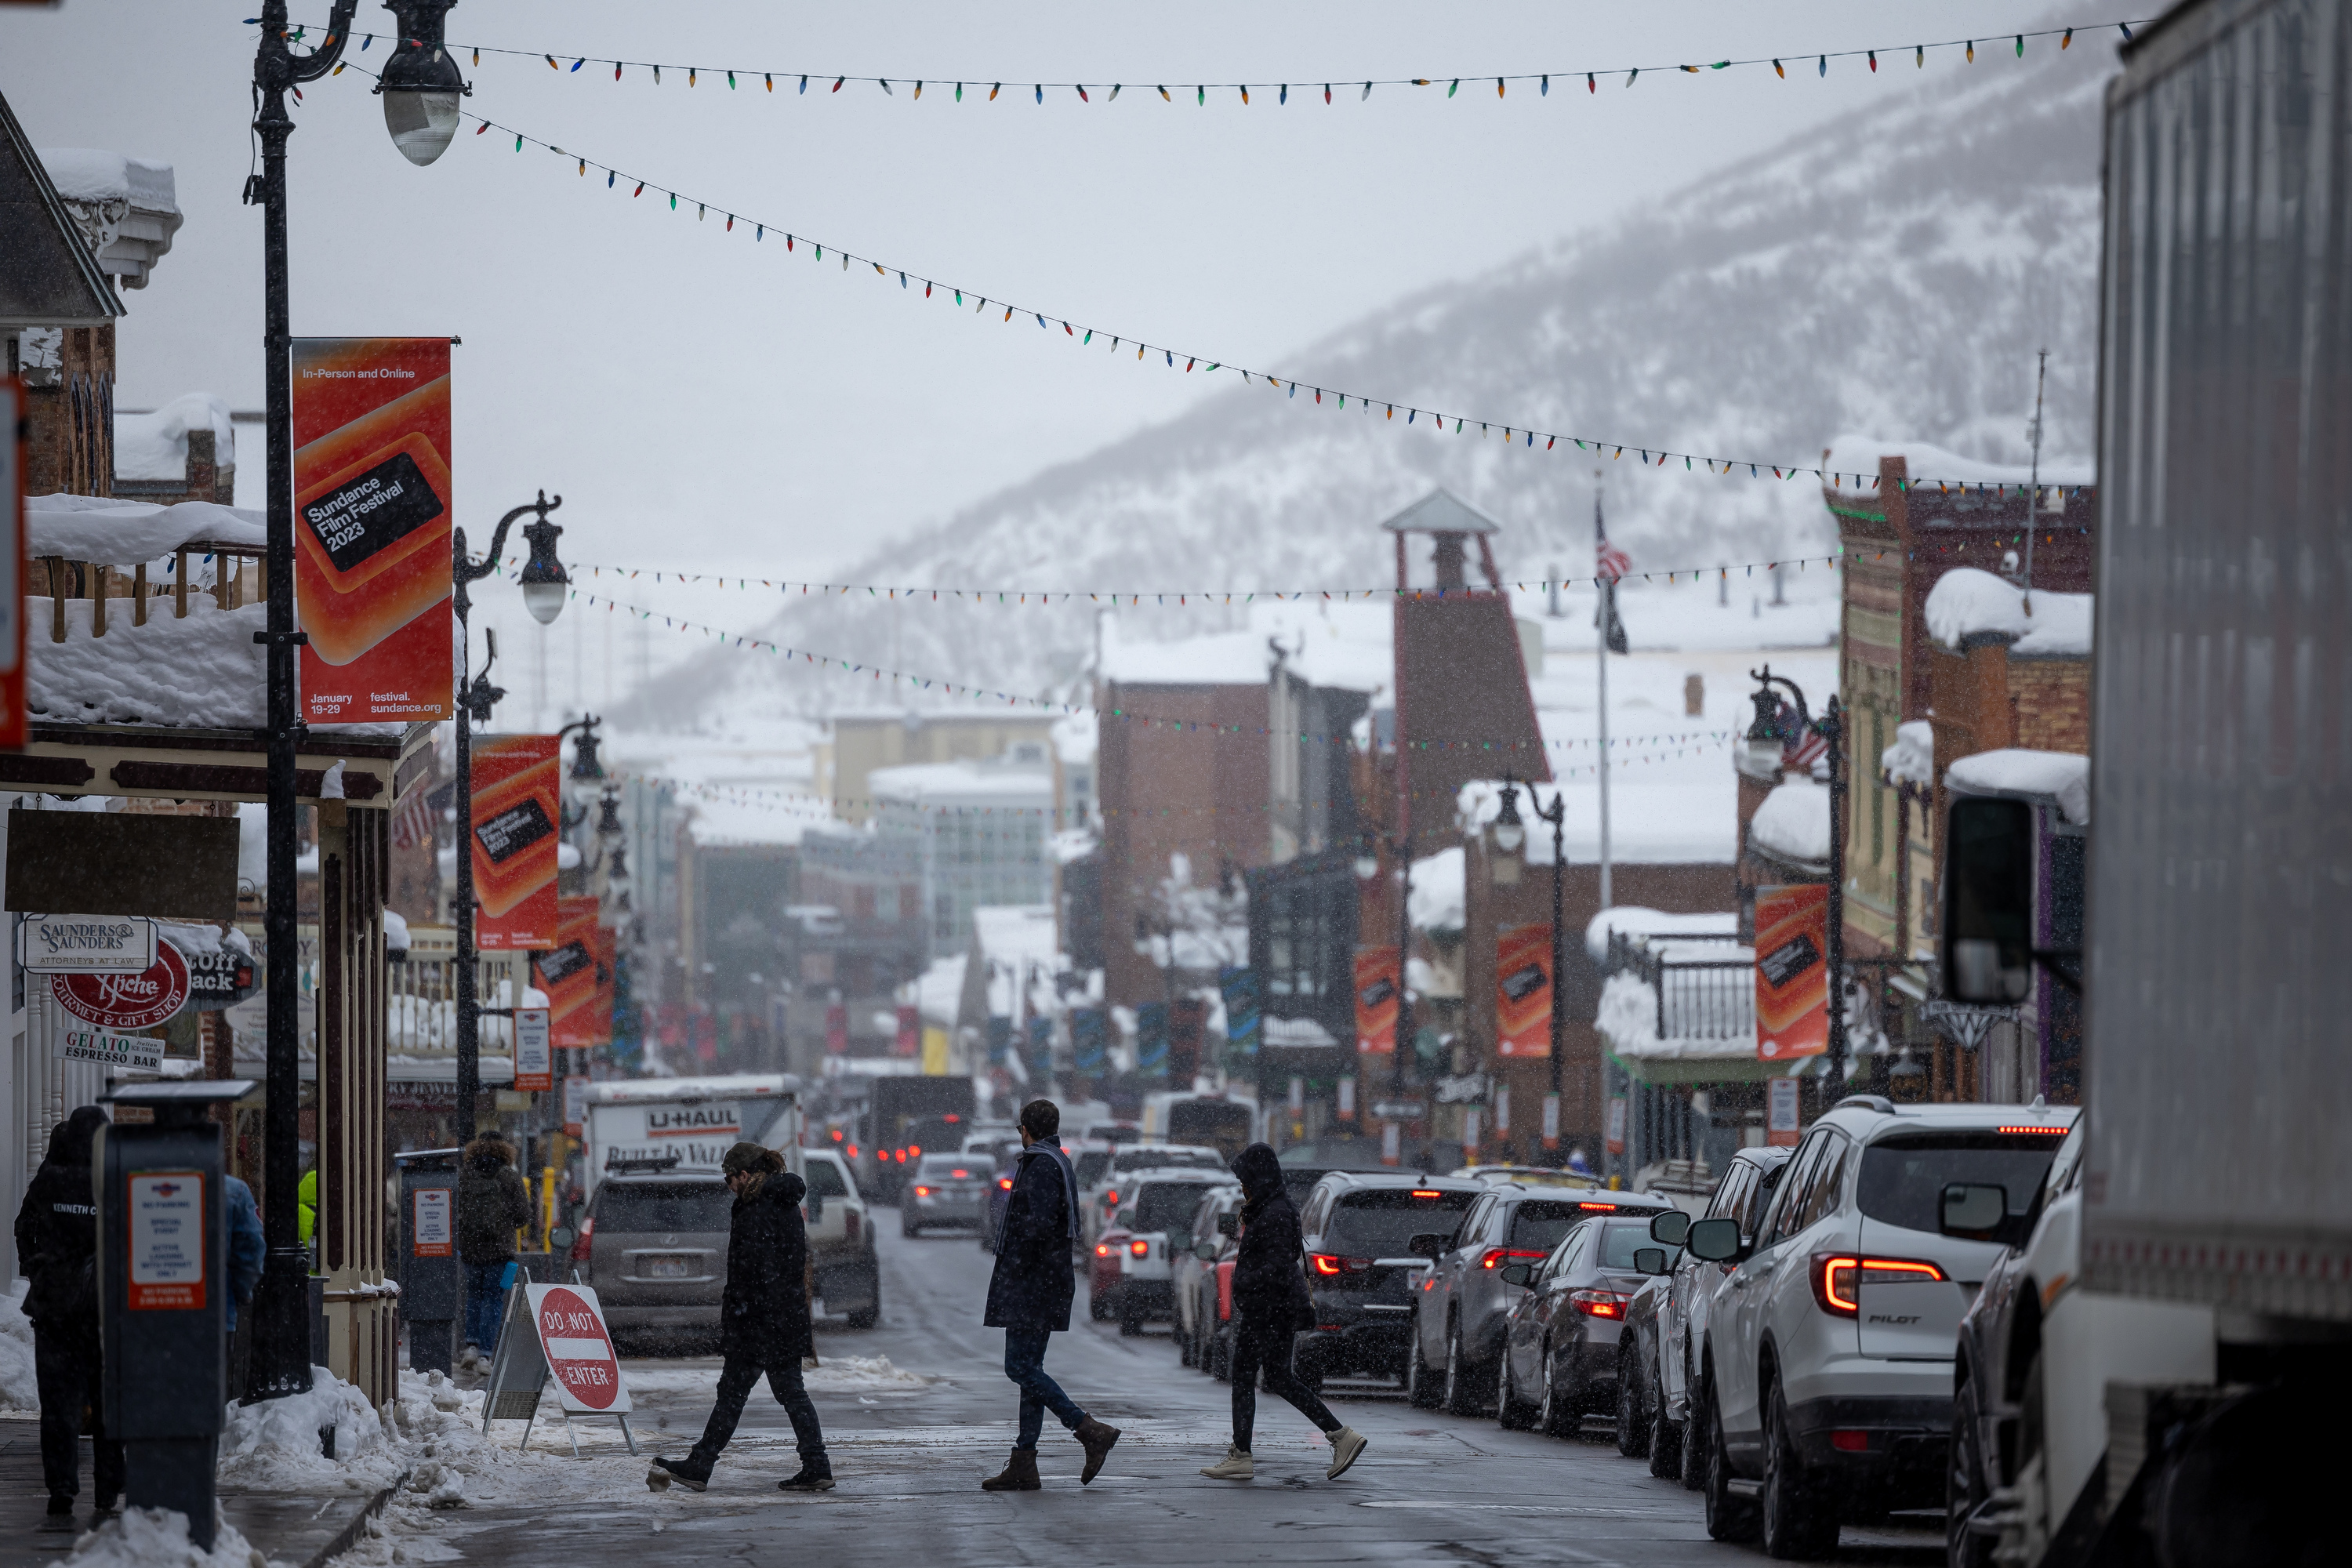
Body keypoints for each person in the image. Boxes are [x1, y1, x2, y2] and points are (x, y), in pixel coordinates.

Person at [648, 1144, 832, 1493]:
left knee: (733, 1394)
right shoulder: (785, 1204)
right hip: (783, 1317)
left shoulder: (757, 1209)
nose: (728, 1185)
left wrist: (740, 1317)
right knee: (790, 1393)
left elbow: (753, 1273)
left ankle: (701, 1465)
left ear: (744, 1175)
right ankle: (816, 1465)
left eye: (729, 1178)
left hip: (758, 1322)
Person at [1200, 1143, 1367, 1483]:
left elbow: (1275, 1266)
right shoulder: (1272, 1206)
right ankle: (1340, 1436)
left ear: (1257, 1178)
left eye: (1245, 1180)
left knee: (1245, 1376)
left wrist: (1246, 1283)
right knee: (1278, 1377)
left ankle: (1241, 1454)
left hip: (1269, 1309)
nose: (1243, 1187)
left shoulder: (1274, 1212)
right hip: (1276, 1308)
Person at [979, 1098, 1120, 1492]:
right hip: (1045, 1282)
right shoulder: (1056, 1159)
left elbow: (1037, 1229)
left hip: (1033, 1284)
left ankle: (1087, 1429)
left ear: (1026, 1128)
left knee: (1019, 1368)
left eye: (1019, 1129)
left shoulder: (1040, 1165)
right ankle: (1024, 1461)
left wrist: (1018, 1279)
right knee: (1030, 1372)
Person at [11, 1107, 122, 1518]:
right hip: (104, 1310)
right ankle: (108, 1486)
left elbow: (24, 1225)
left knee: (58, 1403)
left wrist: (36, 1267)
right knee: (108, 1400)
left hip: (55, 1309)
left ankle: (61, 1484)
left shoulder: (51, 1178)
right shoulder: (112, 1181)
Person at [456, 1131, 529, 1368]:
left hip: (470, 1249)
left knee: (474, 1296)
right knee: (494, 1299)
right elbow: (522, 1217)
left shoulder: (465, 1175)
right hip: (501, 1251)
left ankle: (471, 1345)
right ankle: (486, 1354)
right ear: (504, 1149)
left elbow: (455, 1210)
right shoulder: (509, 1176)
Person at [223, 1173, 267, 1400]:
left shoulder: (133, 1182)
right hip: (216, 1316)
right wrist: (241, 1293)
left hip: (146, 1314)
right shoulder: (232, 1191)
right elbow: (251, 1253)